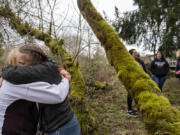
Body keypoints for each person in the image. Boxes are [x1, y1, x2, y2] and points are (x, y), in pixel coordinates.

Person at [1, 44, 81, 135]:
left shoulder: (35, 75)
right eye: (19, 63)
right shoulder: (20, 79)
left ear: (36, 63)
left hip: (61, 125)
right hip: (61, 123)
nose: (18, 68)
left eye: (22, 63)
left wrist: (64, 77)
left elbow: (58, 95)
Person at [127, 49, 147, 116]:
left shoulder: (140, 61)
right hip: (131, 80)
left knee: (138, 95)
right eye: (134, 52)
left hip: (140, 80)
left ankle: (137, 108)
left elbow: (144, 71)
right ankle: (129, 110)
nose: (136, 53)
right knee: (130, 94)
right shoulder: (128, 61)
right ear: (131, 54)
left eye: (136, 52)